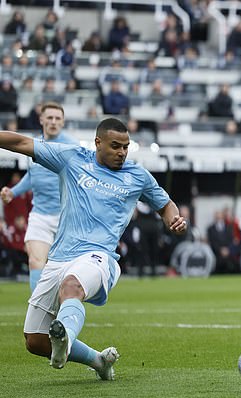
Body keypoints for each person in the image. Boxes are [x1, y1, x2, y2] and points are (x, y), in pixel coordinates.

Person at [0, 118, 187, 380]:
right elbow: (21, 142)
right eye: (115, 146)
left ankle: (63, 331)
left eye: (126, 147)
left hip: (99, 257)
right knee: (35, 341)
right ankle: (98, 361)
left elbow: (166, 205)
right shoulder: (71, 158)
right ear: (98, 142)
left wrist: (173, 220)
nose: (122, 152)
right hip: (59, 257)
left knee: (71, 287)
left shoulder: (137, 175)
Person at [1, 102, 79, 292]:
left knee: (66, 270)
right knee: (35, 261)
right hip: (40, 216)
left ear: (63, 122)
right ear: (41, 119)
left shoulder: (72, 147)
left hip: (67, 217)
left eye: (57, 118)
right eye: (49, 117)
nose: (53, 122)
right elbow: (32, 175)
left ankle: (62, 309)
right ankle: (39, 310)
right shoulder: (33, 145)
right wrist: (13, 192)